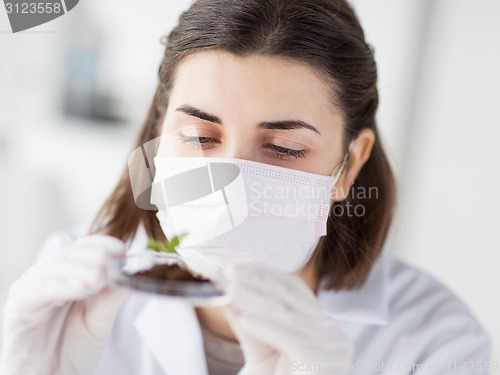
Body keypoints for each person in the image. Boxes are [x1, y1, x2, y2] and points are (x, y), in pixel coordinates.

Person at [1, 0, 491, 374]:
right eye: (198, 137)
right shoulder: (64, 293)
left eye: (283, 148)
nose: (228, 188)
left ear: (349, 166)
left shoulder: (437, 342)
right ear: (158, 134)